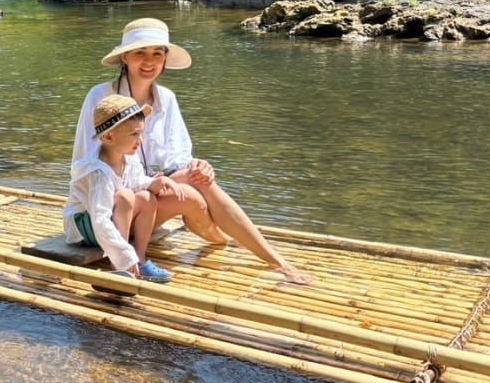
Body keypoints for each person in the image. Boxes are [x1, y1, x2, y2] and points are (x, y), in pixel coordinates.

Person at [73, 18, 311, 285]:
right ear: (126, 57)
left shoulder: (167, 99)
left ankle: (268, 257)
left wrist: (196, 166)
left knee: (201, 179)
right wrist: (164, 181)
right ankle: (235, 243)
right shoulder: (101, 98)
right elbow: (90, 165)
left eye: (157, 53)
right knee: (190, 195)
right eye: (140, 53)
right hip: (110, 205)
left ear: (164, 59)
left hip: (146, 194)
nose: (149, 61)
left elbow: (178, 158)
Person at [64, 94, 174, 283]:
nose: (140, 141)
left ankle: (138, 259)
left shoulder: (128, 158)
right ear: (108, 136)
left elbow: (136, 181)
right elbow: (100, 220)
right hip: (85, 225)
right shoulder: (99, 172)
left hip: (106, 221)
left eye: (140, 133)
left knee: (147, 197)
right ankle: (120, 266)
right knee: (124, 196)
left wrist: (151, 183)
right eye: (134, 134)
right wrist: (123, 255)